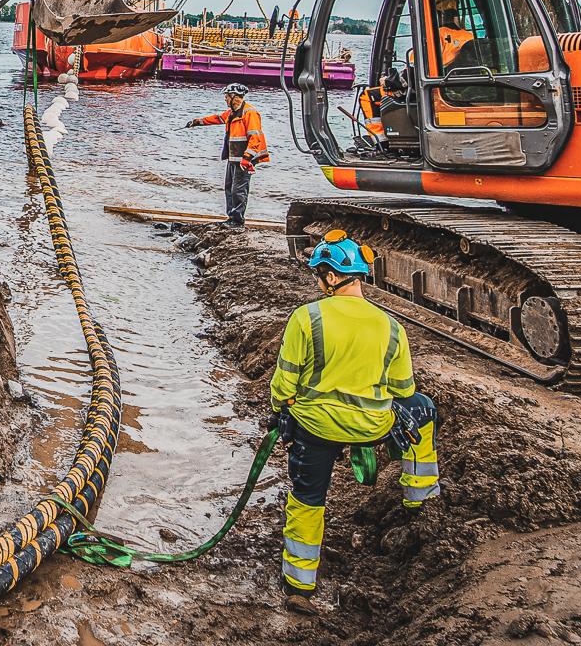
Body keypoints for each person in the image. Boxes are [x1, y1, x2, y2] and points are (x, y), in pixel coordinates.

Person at [271, 231, 441, 609]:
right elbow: (404, 389)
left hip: (316, 427)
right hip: (373, 427)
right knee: (424, 407)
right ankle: (421, 497)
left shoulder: (306, 317)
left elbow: (284, 385)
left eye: (320, 274)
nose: (318, 281)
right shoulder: (391, 326)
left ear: (331, 277)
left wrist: (281, 410)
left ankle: (300, 584)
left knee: (307, 497)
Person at [185, 83, 269, 226]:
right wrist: (197, 122)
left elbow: (255, 137)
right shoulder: (231, 113)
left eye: (226, 96)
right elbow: (217, 118)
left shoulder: (250, 113)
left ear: (235, 97)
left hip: (244, 159)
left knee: (238, 189)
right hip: (234, 157)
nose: (225, 99)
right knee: (229, 187)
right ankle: (231, 217)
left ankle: (237, 220)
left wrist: (247, 159)